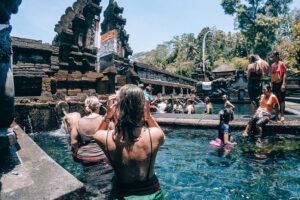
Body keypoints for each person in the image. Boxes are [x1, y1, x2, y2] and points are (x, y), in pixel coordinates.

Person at [94, 84, 165, 200]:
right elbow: (162, 135)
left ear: (117, 107)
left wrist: (108, 116)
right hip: (152, 194)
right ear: (142, 107)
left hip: (121, 193)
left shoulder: (105, 138)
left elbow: (96, 134)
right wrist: (148, 115)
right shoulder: (154, 135)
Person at [71, 96, 114, 198]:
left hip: (85, 158)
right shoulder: (106, 120)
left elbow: (73, 142)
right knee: (108, 179)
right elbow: (114, 137)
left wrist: (76, 153)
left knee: (90, 177)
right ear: (98, 107)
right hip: (104, 157)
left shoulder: (78, 122)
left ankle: (93, 192)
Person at [271, 51, 287, 122]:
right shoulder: (272, 65)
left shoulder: (282, 63)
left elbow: (284, 74)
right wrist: (271, 83)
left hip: (280, 83)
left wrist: (283, 84)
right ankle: (276, 116)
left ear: (277, 56)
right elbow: (272, 75)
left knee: (282, 99)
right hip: (274, 84)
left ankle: (282, 115)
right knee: (275, 100)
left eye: (273, 56)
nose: (272, 58)